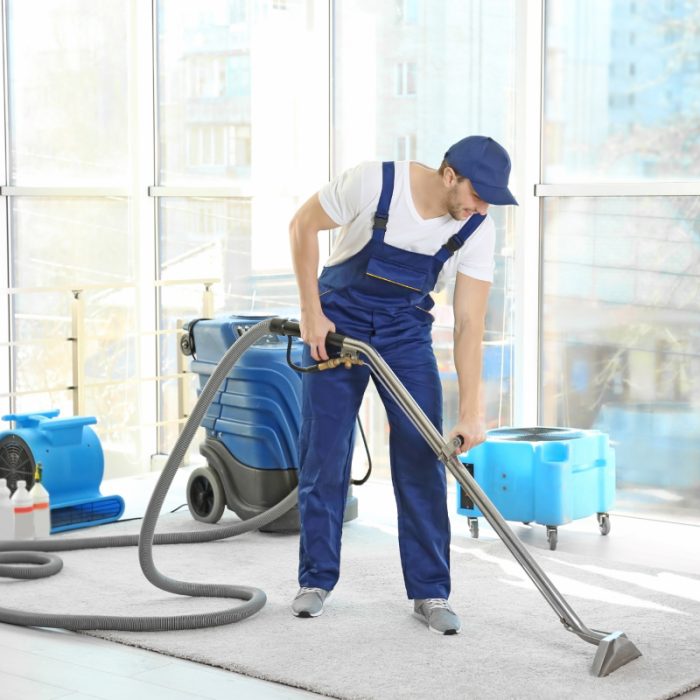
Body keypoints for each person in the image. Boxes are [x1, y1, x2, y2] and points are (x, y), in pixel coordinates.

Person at [287, 135, 517, 634]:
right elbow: (303, 225)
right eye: (479, 195)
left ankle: (431, 591)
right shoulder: (375, 181)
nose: (482, 207)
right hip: (338, 322)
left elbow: (470, 324)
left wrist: (473, 409)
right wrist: (311, 312)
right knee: (324, 453)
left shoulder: (477, 226)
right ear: (450, 174)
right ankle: (315, 580)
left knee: (421, 455)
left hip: (404, 332)